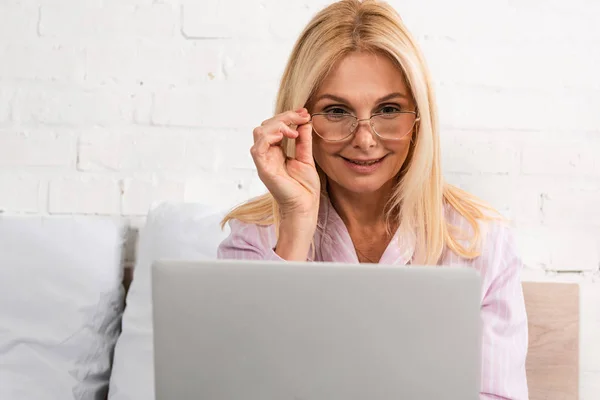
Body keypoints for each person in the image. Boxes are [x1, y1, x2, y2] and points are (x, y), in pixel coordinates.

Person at [217, 0, 529, 398]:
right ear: (298, 122)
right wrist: (296, 223)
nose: (364, 140)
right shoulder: (254, 241)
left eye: (388, 109)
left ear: (419, 118)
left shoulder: (481, 242)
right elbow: (240, 387)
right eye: (335, 111)